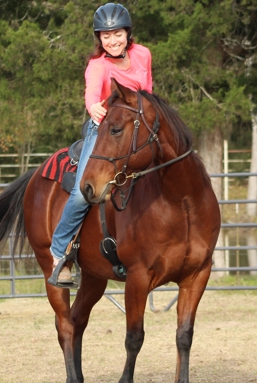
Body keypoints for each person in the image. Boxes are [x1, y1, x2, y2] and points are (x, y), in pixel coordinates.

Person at [48, 3, 153, 287]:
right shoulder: (98, 66)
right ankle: (60, 252)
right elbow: (92, 94)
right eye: (105, 36)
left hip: (137, 126)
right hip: (105, 127)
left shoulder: (143, 54)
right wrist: (94, 107)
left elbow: (149, 94)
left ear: (127, 33)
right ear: (99, 39)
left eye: (117, 33)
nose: (112, 41)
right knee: (84, 192)